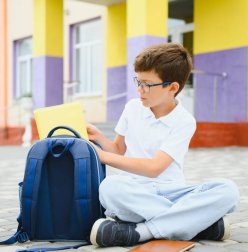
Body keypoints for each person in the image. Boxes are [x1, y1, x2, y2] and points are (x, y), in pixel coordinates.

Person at [86, 43, 239, 247]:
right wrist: (99, 139)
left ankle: (141, 231)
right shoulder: (132, 108)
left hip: (172, 191)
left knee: (228, 191)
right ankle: (199, 225)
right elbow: (119, 150)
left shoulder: (184, 121)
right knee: (110, 188)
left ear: (172, 87)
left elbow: (154, 168)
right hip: (135, 191)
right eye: (138, 82)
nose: (140, 90)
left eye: (147, 84)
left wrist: (102, 156)